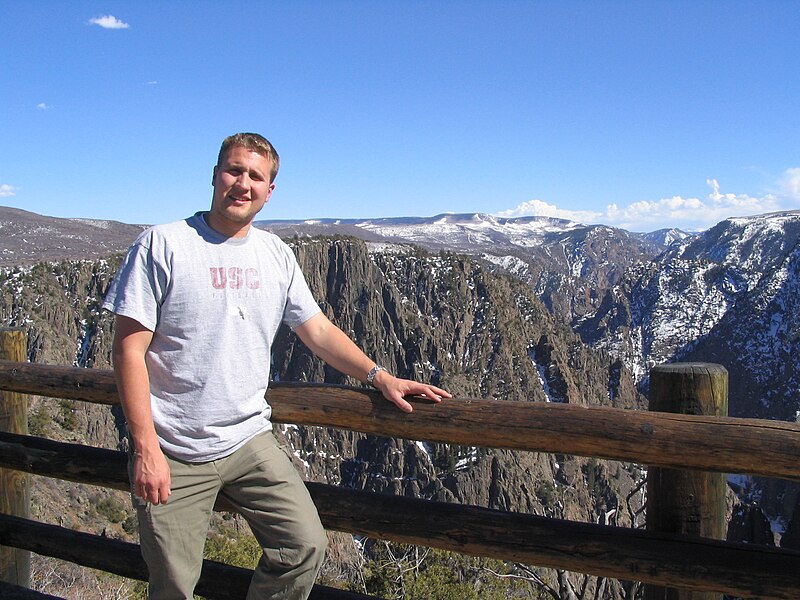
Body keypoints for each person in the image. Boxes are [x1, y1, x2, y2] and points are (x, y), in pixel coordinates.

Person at [102, 132, 451, 600]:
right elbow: (128, 350)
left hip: (249, 440)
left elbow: (318, 331)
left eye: (256, 176)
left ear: (269, 191)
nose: (242, 183)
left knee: (304, 545)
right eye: (234, 170)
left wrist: (380, 376)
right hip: (174, 448)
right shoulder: (162, 245)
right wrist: (146, 449)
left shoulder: (276, 254)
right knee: (173, 584)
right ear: (214, 175)